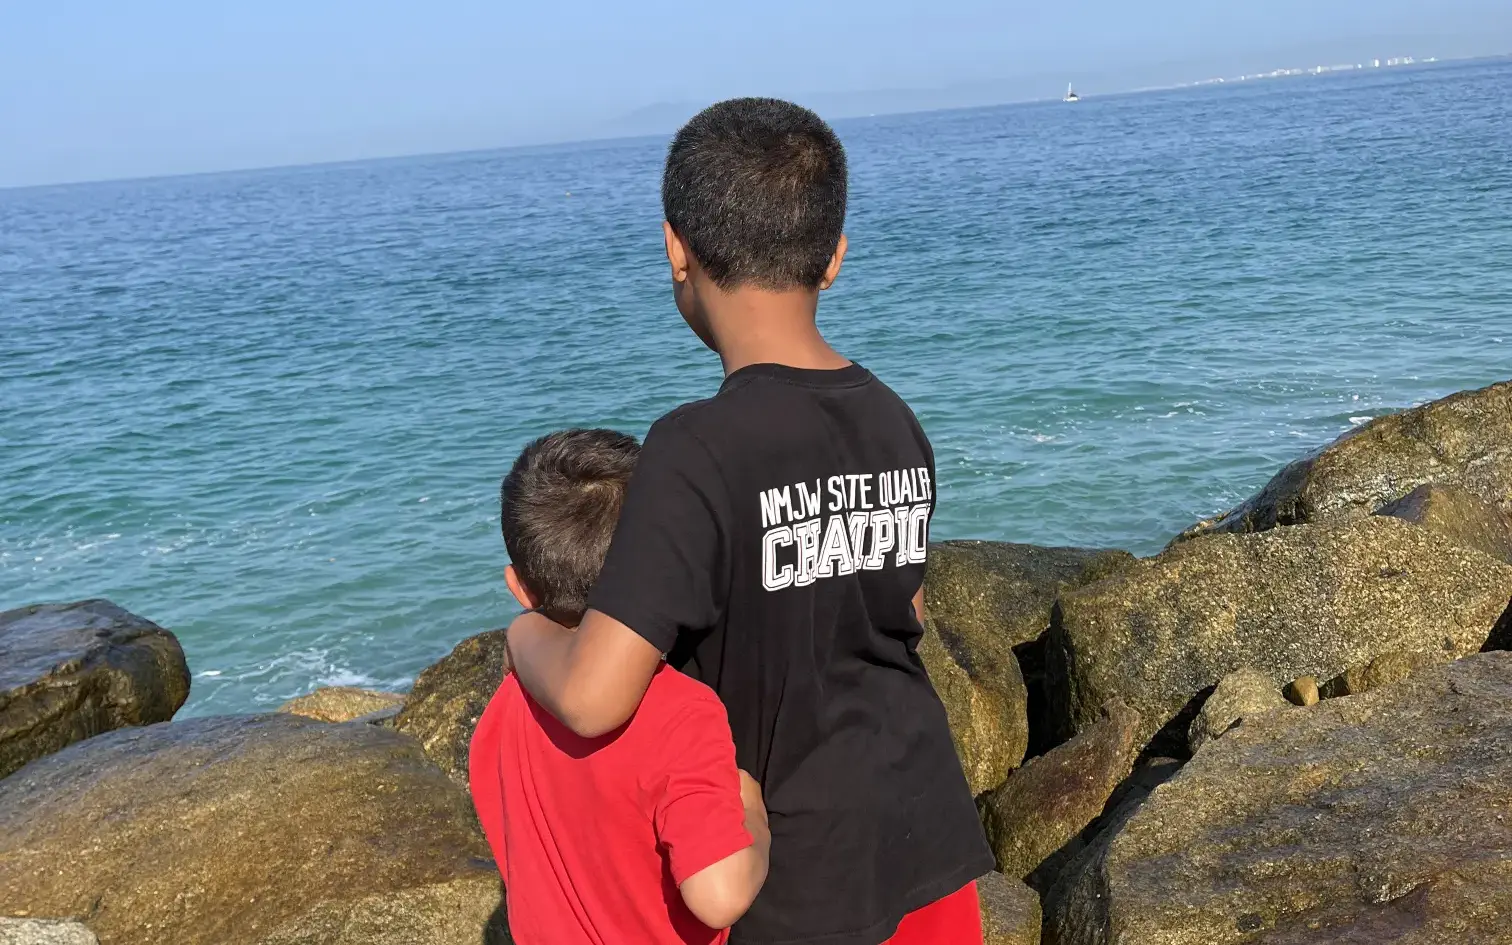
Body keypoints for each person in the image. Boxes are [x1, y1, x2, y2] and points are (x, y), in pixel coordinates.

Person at [506, 98, 993, 945]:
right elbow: (901, 609)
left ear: (676, 251)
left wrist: (525, 638)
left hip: (798, 885)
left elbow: (590, 697)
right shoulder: (892, 418)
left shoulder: (694, 449)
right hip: (924, 843)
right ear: (833, 258)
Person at [469, 428, 771, 944]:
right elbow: (720, 895)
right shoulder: (682, 712)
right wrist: (753, 813)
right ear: (667, 571)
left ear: (518, 586)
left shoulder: (505, 708)